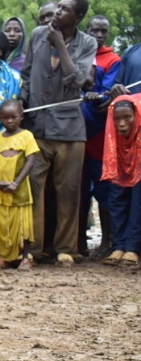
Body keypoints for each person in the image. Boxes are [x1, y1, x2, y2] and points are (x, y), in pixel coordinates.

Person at [21, 0, 97, 265]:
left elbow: (78, 81)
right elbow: (28, 73)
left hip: (70, 129)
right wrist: (22, 104)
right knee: (34, 190)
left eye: (64, 9)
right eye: (57, 7)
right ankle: (34, 249)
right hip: (37, 125)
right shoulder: (37, 34)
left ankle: (65, 248)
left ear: (76, 18)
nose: (57, 12)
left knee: (68, 191)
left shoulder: (87, 43)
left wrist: (60, 45)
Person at [82, 15, 120, 261]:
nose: (98, 35)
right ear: (86, 30)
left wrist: (96, 95)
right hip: (76, 135)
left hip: (99, 135)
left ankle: (107, 242)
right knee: (79, 192)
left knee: (103, 191)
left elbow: (108, 93)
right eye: (94, 30)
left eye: (103, 31)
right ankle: (78, 244)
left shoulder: (113, 60)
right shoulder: (79, 53)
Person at [0, 99, 39, 270]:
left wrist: (16, 183)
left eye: (13, 117)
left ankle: (25, 257)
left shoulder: (26, 136)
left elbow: (30, 161)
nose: (9, 121)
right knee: (3, 223)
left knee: (23, 224)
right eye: (5, 118)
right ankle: (4, 257)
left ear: (21, 117)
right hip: (1, 190)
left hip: (20, 189)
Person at [100, 96, 141, 268]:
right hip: (120, 165)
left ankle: (132, 247)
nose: (121, 123)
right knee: (116, 200)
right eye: (117, 119)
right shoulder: (113, 137)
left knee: (138, 203)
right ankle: (118, 246)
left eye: (127, 118)